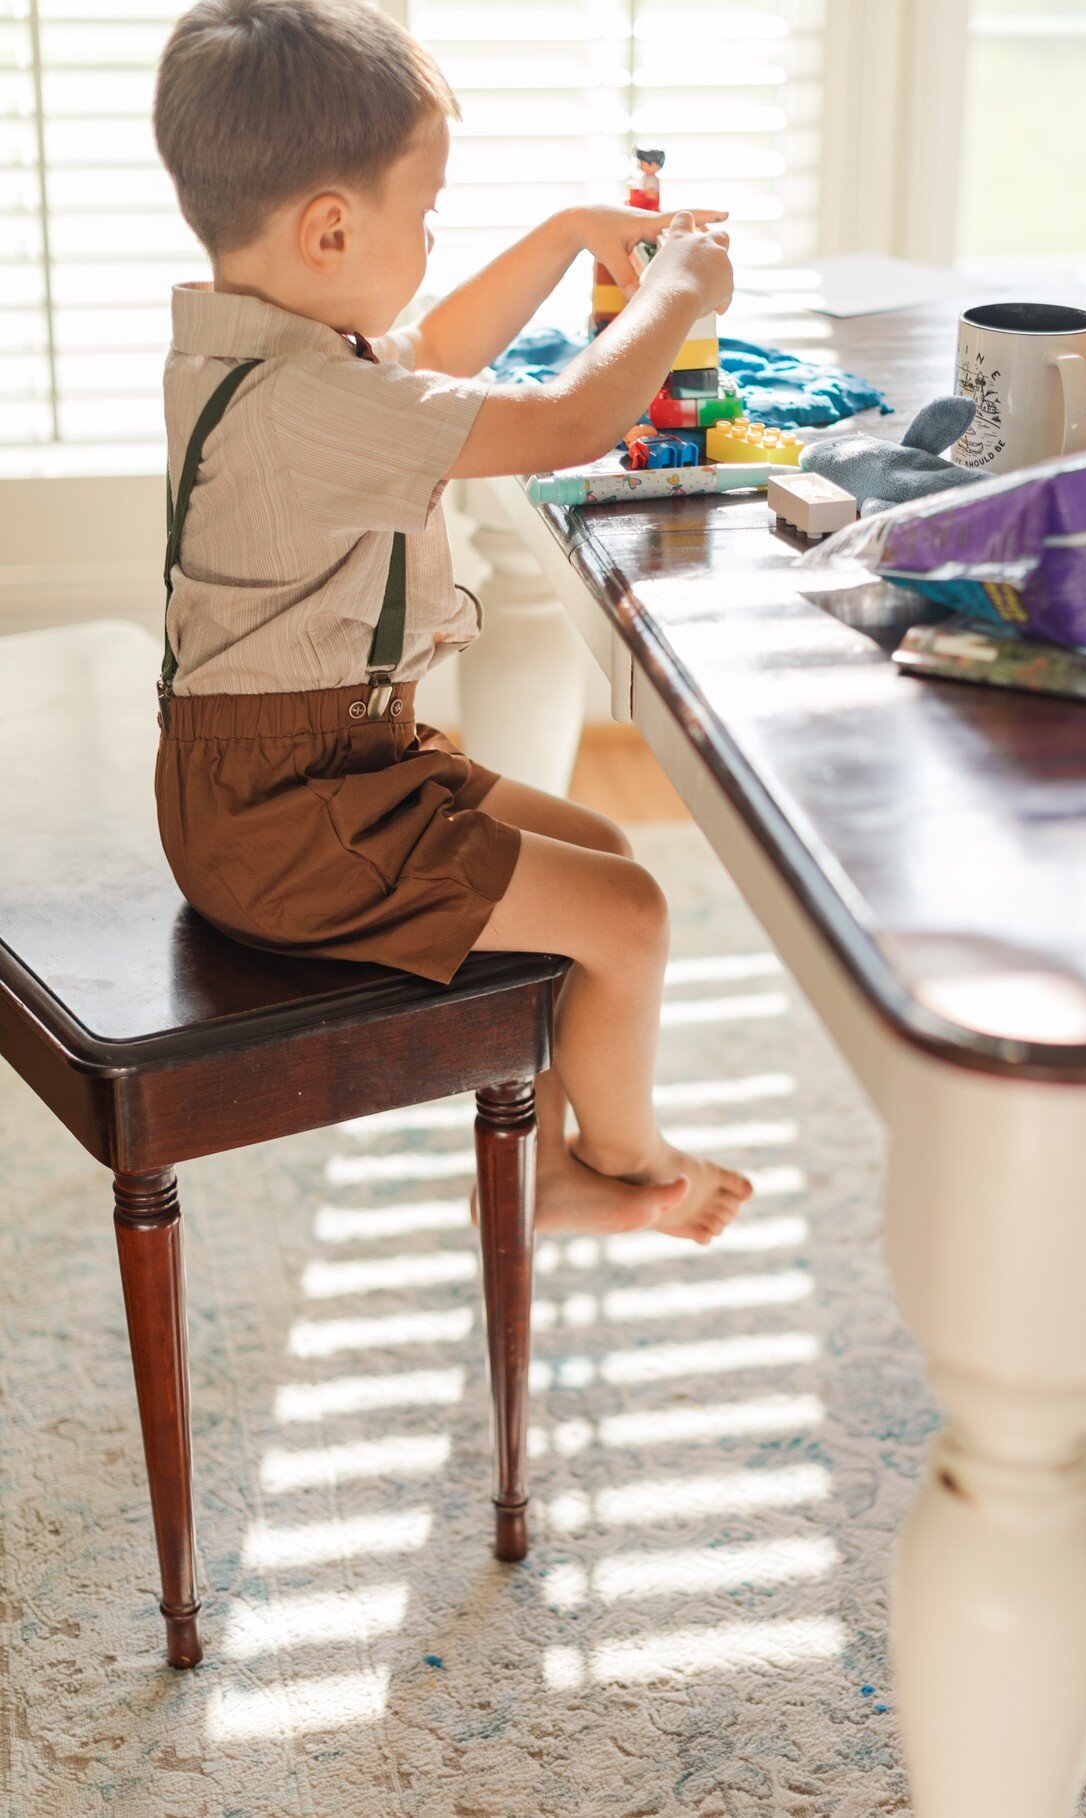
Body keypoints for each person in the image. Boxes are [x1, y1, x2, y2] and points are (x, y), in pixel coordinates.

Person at [152, 0, 752, 1244]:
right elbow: (571, 423)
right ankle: (613, 1161)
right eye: (425, 214)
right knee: (629, 917)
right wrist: (680, 294)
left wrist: (567, 235)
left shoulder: (266, 355)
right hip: (287, 819)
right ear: (330, 228)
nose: (432, 236)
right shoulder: (307, 402)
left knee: (601, 854)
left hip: (321, 775)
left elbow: (430, 345)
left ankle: (566, 1150)